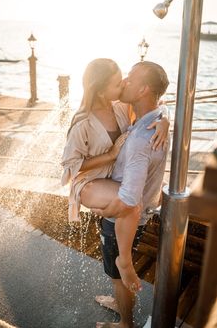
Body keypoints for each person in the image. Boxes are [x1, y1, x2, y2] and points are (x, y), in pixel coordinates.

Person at [61, 58, 169, 295]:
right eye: (117, 82)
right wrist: (110, 155)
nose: (123, 84)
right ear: (100, 90)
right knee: (131, 205)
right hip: (90, 182)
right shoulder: (82, 122)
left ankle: (120, 288)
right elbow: (70, 167)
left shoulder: (121, 107)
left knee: (130, 203)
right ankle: (125, 261)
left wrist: (164, 121)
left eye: (125, 79)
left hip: (113, 181)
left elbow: (157, 103)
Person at [91, 61, 170, 328]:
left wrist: (103, 210)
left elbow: (129, 199)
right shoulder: (153, 118)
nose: (125, 80)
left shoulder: (139, 140)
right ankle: (119, 299)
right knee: (119, 273)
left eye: (131, 77)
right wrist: (166, 118)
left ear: (143, 89)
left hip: (121, 221)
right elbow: (165, 107)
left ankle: (125, 322)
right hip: (138, 218)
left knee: (117, 274)